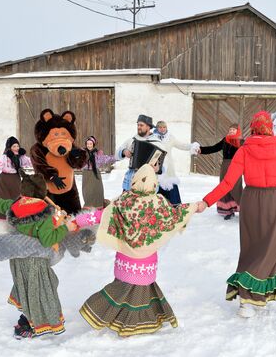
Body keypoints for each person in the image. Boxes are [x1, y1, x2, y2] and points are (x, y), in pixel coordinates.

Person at [197, 111, 276, 318]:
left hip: (250, 200)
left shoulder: (244, 150)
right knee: (271, 248)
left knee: (251, 249)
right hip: (274, 201)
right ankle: (248, 295)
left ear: (252, 127)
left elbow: (228, 183)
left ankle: (251, 298)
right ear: (269, 127)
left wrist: (206, 201)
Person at [79, 164, 197, 336]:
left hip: (126, 261)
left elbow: (101, 215)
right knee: (138, 292)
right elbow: (175, 215)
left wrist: (77, 221)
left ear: (134, 181)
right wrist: (194, 207)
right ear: (154, 184)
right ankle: (130, 323)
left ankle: (128, 320)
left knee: (124, 291)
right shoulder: (159, 203)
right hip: (146, 262)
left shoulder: (123, 201)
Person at [0, 172, 79, 339]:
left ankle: (27, 319)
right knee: (40, 289)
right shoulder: (44, 214)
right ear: (42, 192)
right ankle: (27, 324)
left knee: (28, 287)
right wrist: (65, 228)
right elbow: (47, 240)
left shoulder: (15, 206)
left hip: (18, 259)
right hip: (35, 260)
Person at [197, 123, 243, 219]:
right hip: (225, 166)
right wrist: (201, 150)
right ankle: (228, 210)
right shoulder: (225, 140)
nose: (231, 131)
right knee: (224, 188)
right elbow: (214, 148)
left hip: (236, 167)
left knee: (236, 188)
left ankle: (244, 210)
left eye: (233, 130)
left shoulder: (242, 142)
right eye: (230, 130)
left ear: (237, 131)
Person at [0, 136, 32, 228]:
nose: (16, 148)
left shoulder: (21, 157)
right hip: (4, 181)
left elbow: (30, 164)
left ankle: (17, 221)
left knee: (17, 200)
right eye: (14, 146)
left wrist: (33, 176)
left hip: (16, 180)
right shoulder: (4, 157)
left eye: (17, 146)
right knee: (1, 200)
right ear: (9, 147)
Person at [152, 121, 200, 206]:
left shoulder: (170, 138)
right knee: (155, 185)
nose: (162, 129)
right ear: (157, 128)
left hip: (168, 168)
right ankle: (157, 207)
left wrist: (192, 146)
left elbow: (182, 145)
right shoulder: (152, 138)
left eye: (164, 127)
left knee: (170, 185)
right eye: (160, 127)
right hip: (155, 166)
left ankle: (174, 207)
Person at [115, 114, 163, 191]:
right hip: (131, 182)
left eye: (141, 125)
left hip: (148, 184)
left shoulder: (157, 143)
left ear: (148, 127)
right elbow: (115, 155)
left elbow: (164, 164)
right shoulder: (131, 140)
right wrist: (123, 152)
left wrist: (158, 168)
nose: (139, 127)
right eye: (138, 125)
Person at [81, 136, 116, 208]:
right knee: (87, 191)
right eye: (87, 144)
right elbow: (76, 161)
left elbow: (106, 159)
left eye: (90, 144)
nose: (89, 145)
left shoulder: (97, 153)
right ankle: (88, 206)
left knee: (97, 189)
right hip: (86, 174)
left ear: (93, 144)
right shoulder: (82, 153)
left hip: (95, 174)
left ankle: (98, 205)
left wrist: (118, 157)